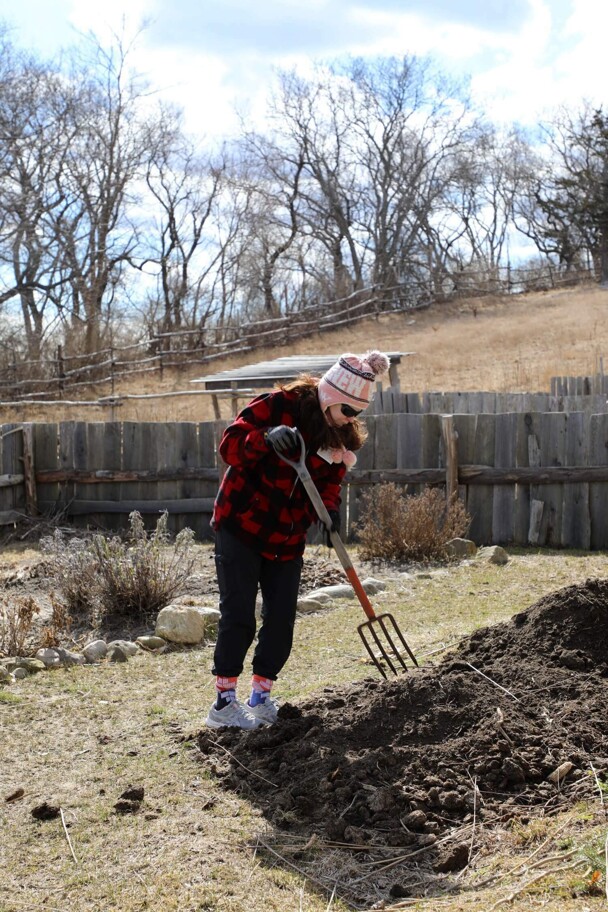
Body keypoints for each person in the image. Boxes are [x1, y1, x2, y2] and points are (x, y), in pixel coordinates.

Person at [205, 349, 390, 729]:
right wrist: (266, 438)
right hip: (241, 524)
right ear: (332, 396)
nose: (353, 420)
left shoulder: (341, 438)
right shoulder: (278, 406)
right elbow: (230, 446)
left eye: (359, 413)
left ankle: (261, 698)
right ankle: (224, 704)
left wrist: (330, 510)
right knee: (239, 615)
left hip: (287, 535)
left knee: (282, 618)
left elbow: (329, 483)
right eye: (349, 410)